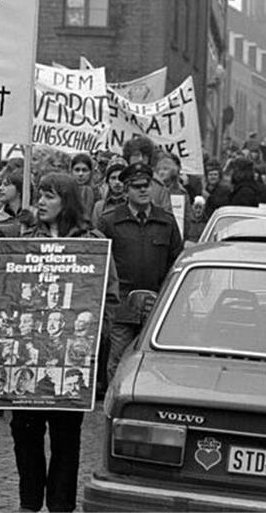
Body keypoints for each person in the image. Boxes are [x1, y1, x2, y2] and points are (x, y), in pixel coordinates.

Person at [11, 172, 118, 513]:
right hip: (28, 354)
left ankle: (60, 505)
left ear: (67, 202)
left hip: (71, 358)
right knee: (24, 432)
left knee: (65, 438)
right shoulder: (23, 238)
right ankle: (29, 502)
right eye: (40, 194)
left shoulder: (94, 241)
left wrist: (95, 335)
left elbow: (110, 295)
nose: (40, 201)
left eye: (50, 195)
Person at [98, 163, 182, 381]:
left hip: (157, 305)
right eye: (137, 186)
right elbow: (100, 264)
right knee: (117, 362)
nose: (144, 190)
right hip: (122, 305)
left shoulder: (166, 221)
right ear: (126, 189)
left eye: (146, 185)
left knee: (154, 364)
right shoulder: (109, 221)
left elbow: (177, 263)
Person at [121, 136, 171, 213]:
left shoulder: (158, 184)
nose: (140, 159)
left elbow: (166, 214)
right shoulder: (118, 180)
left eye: (144, 156)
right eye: (136, 155)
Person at [91, 159, 126, 229]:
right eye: (113, 178)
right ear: (108, 181)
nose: (117, 182)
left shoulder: (134, 204)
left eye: (121, 178)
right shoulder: (99, 206)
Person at [0, 170, 24, 237]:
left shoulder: (35, 217)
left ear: (20, 188)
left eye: (6, 184)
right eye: (1, 184)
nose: (0, 188)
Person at [70, 153, 99, 224]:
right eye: (77, 170)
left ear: (90, 172)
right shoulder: (65, 191)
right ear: (71, 171)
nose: (80, 174)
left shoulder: (97, 193)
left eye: (84, 170)